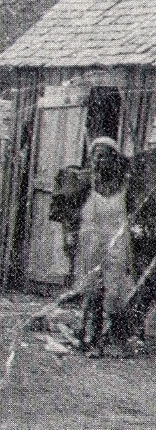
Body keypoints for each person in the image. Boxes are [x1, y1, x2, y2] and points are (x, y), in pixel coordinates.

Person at [77, 137, 135, 358]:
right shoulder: (87, 184)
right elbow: (73, 214)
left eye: (102, 156)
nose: (97, 161)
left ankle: (113, 341)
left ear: (113, 158)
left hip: (117, 246)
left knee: (114, 292)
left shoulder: (125, 185)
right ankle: (89, 337)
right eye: (94, 156)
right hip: (92, 245)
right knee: (91, 291)